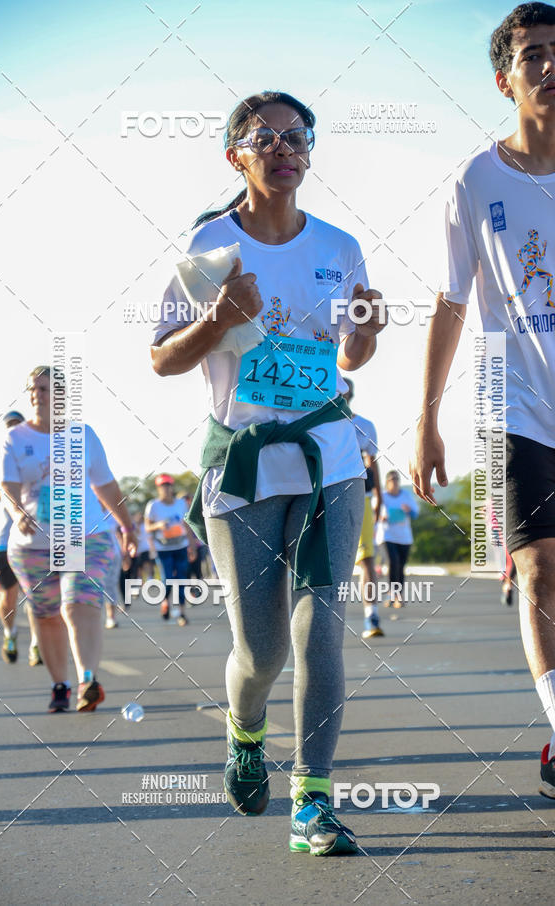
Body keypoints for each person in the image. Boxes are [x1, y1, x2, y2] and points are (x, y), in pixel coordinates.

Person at [150, 90, 386, 854]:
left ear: (310, 153)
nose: (284, 149)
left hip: (329, 458)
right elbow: (161, 358)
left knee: (322, 632)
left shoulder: (340, 246)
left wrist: (366, 333)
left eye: (297, 137)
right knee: (262, 650)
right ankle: (245, 732)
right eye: (265, 138)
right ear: (236, 156)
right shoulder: (210, 246)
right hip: (245, 465)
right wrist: (217, 320)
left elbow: (347, 360)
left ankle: (312, 801)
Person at [410, 3, 555, 822]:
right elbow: (449, 302)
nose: (550, 66)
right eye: (532, 56)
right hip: (523, 411)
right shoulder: (475, 181)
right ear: (503, 78)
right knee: (542, 573)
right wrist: (426, 417)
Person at [0, 366, 137, 712]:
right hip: (33, 545)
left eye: (44, 389)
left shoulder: (83, 435)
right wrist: (17, 515)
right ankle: (61, 684)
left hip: (87, 535)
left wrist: (127, 527)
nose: (36, 395)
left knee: (79, 603)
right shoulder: (15, 439)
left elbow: (104, 484)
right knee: (45, 614)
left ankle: (88, 679)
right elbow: (7, 487)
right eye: (32, 389)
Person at [0, 410, 43, 664]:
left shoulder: (36, 456)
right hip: (4, 538)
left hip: (33, 538)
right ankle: (10, 631)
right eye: (9, 425)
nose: (13, 429)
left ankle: (37, 644)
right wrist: (8, 485)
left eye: (17, 425)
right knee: (7, 597)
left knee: (37, 595)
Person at [342, 379, 384, 637]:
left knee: (366, 559)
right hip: (324, 496)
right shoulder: (318, 423)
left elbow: (373, 462)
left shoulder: (364, 426)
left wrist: (378, 495)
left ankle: (372, 616)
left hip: (362, 496)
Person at [144, 475, 194, 626]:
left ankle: (182, 613)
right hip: (163, 548)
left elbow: (187, 525)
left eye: (168, 485)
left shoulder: (180, 504)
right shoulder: (153, 505)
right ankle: (165, 602)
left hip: (180, 546)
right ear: (158, 488)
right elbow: (147, 527)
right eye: (162, 486)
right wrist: (158, 525)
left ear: (172, 487)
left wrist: (191, 545)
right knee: (167, 579)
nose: (166, 488)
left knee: (181, 579)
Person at [380, 471, 418, 608]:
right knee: (393, 563)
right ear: (387, 482)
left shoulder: (406, 496)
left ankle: (398, 595)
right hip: (387, 535)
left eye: (396, 479)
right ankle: (393, 594)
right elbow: (374, 512)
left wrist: (408, 510)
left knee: (401, 566)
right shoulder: (382, 497)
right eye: (391, 479)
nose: (394, 481)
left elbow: (415, 514)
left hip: (404, 537)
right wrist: (380, 517)